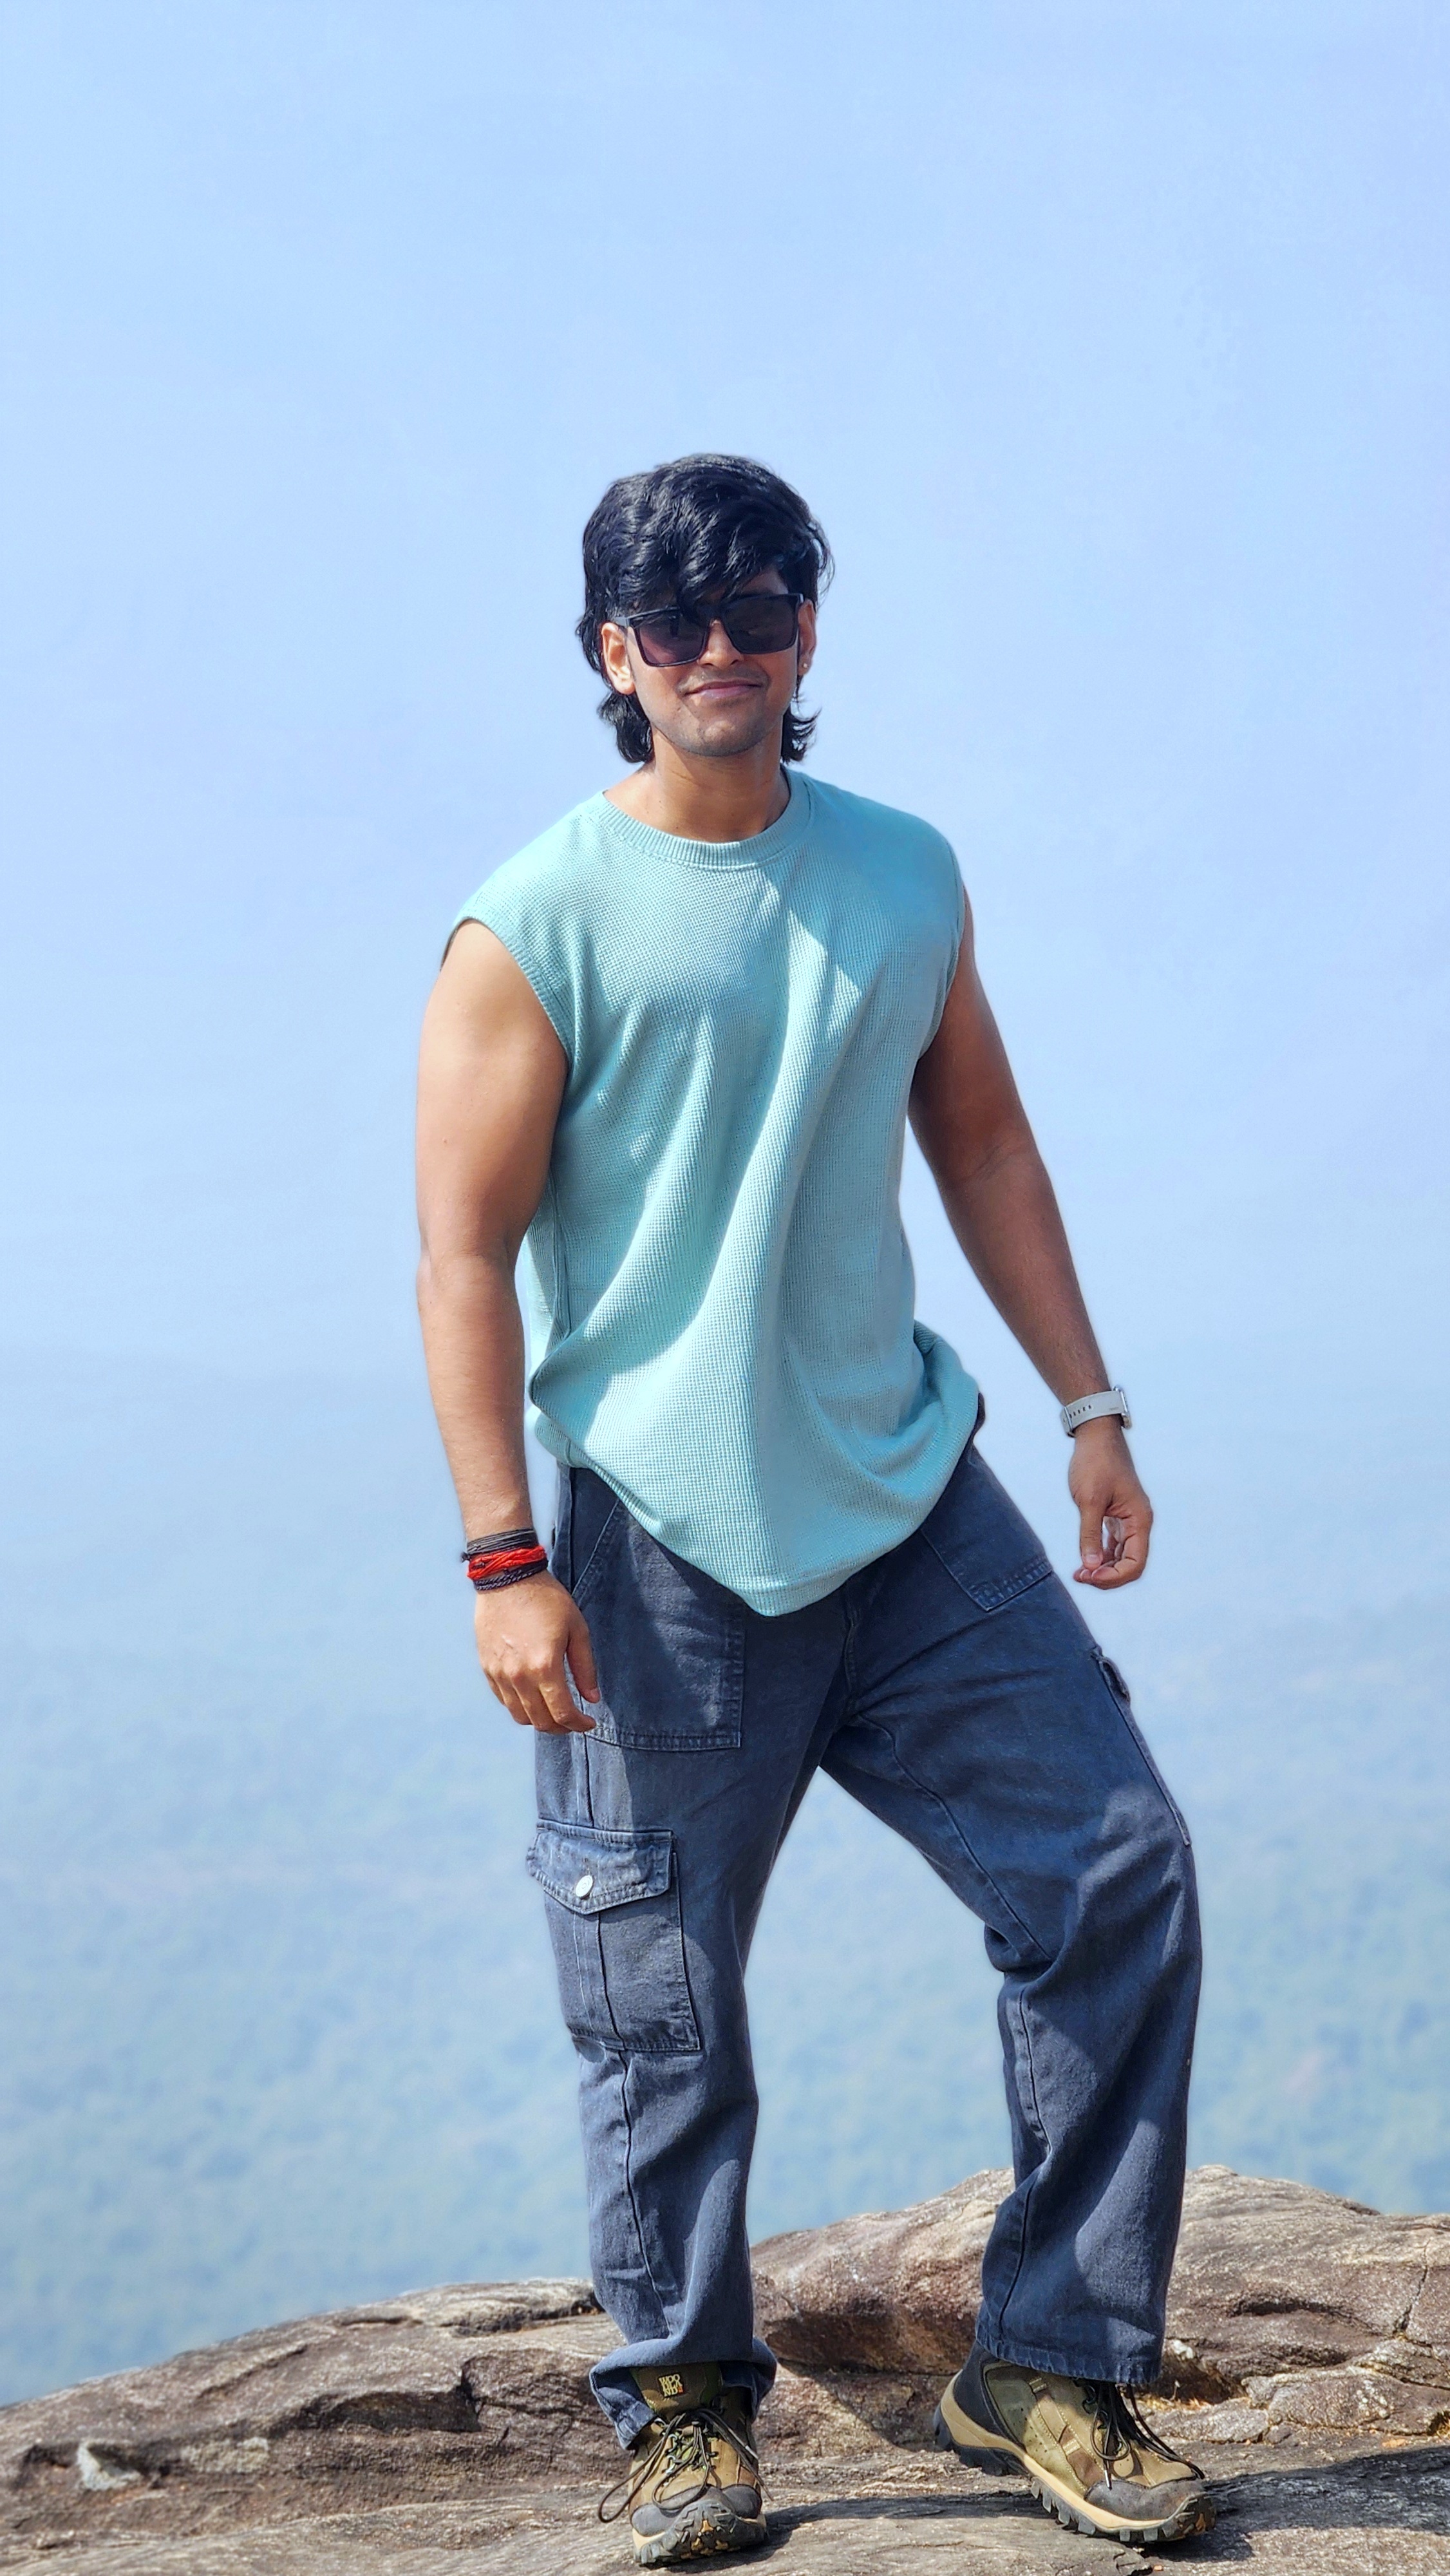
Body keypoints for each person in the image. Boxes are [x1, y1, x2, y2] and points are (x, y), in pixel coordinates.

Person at [415, 454, 1210, 2564]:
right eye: (673, 622)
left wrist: (1089, 1410)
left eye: (756, 610)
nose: (719, 651)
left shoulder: (901, 872)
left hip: (907, 1498)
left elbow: (986, 1144)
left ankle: (1049, 2362)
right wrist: (503, 1559)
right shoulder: (532, 924)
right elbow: (461, 1258)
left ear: (805, 631)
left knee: (1113, 1870)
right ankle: (684, 2407)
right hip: (660, 1533)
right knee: (657, 1994)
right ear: (613, 653)